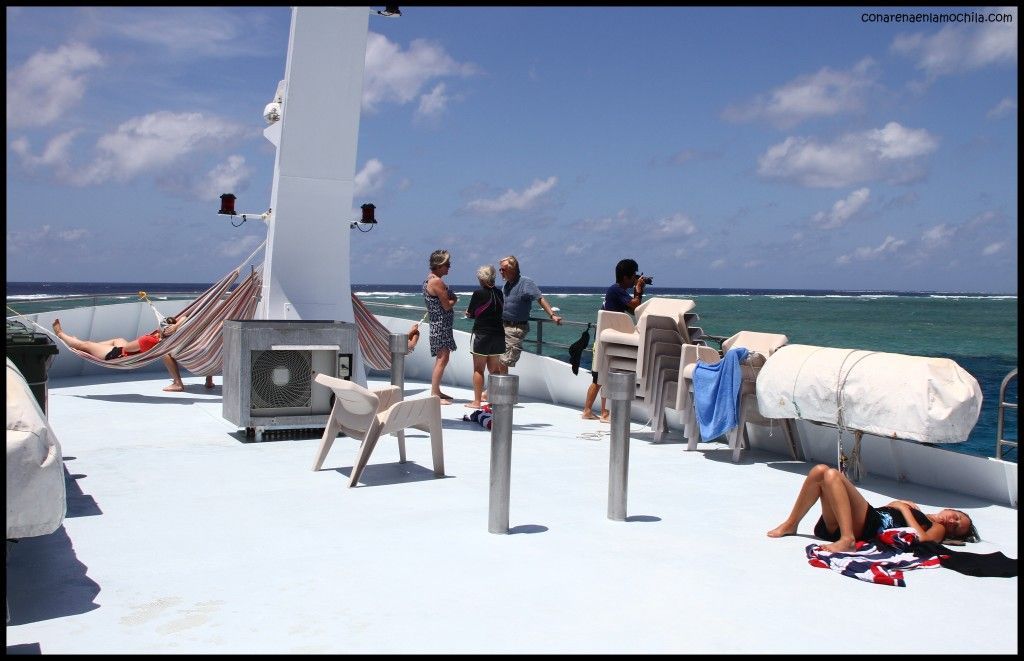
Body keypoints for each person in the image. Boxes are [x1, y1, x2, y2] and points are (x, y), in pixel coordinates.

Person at [767, 463, 979, 553]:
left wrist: (902, 508)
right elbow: (889, 514)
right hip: (859, 521)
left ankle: (848, 539)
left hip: (870, 527)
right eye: (957, 517)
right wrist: (899, 506)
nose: (952, 522)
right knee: (820, 471)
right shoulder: (920, 512)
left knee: (831, 475)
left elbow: (922, 540)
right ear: (952, 509)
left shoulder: (936, 527)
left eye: (956, 527)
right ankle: (791, 524)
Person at [582, 258, 648, 421]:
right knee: (600, 378)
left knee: (602, 378)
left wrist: (637, 293)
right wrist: (638, 291)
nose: (634, 280)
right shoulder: (616, 290)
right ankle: (596, 411)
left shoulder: (618, 292)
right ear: (625, 277)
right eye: (633, 277)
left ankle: (594, 411)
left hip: (607, 338)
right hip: (605, 340)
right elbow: (634, 304)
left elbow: (635, 310)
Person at [497, 255, 562, 374]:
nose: (500, 272)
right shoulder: (507, 284)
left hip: (515, 328)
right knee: (498, 359)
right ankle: (498, 390)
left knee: (504, 360)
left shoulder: (526, 283)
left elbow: (540, 298)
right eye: (500, 269)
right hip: (503, 326)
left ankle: (497, 391)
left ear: (512, 269)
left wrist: (552, 315)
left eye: (503, 269)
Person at [52, 315, 188, 361]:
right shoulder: (161, 339)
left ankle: (61, 334)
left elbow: (127, 348)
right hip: (127, 350)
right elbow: (185, 317)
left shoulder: (150, 340)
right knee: (118, 338)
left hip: (119, 354)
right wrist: (175, 328)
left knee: (86, 345)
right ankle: (81, 344)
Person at [464, 264, 504, 408]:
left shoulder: (478, 293)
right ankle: (494, 400)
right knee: (495, 370)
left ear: (481, 278)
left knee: (478, 369)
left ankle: (477, 401)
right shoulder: (499, 293)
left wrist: (468, 314)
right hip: (498, 334)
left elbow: (471, 313)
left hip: (482, 334)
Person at [423, 249, 458, 404]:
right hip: (441, 325)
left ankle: (436, 391)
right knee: (442, 358)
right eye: (447, 264)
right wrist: (454, 300)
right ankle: (434, 394)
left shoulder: (429, 279)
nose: (449, 267)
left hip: (438, 324)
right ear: (439, 265)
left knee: (442, 357)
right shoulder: (436, 281)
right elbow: (446, 306)